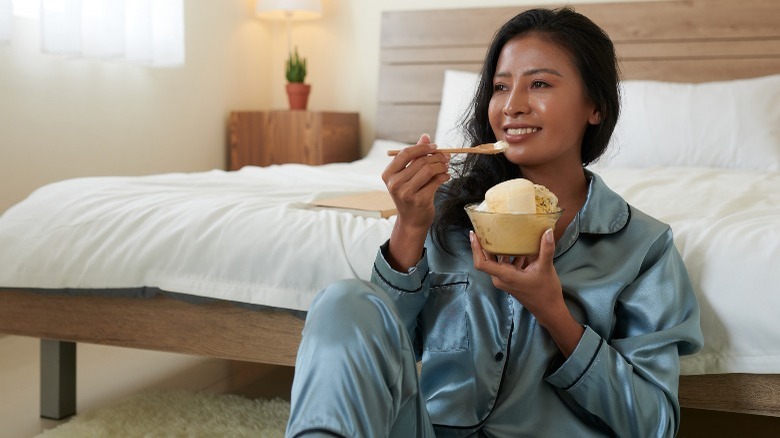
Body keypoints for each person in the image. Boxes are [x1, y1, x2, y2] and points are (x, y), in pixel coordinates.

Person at [285, 7, 702, 438]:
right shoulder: (447, 214)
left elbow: (655, 425)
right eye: (501, 87)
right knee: (343, 301)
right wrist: (410, 227)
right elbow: (380, 354)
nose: (512, 106)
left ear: (595, 105)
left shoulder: (643, 246)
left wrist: (555, 314)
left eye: (539, 83)